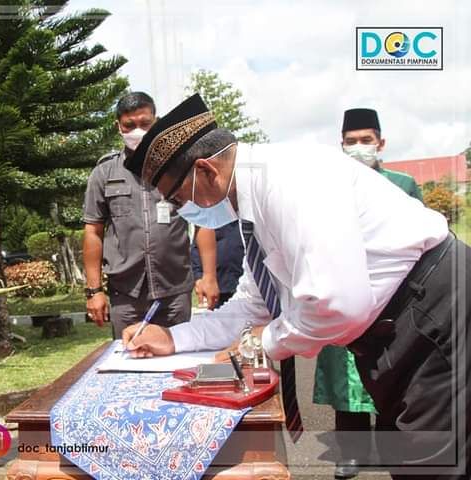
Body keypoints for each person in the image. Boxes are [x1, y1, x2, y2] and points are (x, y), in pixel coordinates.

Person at [122, 93, 469, 479]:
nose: (183, 209)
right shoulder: (251, 202)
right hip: (395, 331)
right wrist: (173, 338)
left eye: (178, 197)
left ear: (206, 171)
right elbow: (254, 306)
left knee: (433, 467)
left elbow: (337, 305)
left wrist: (263, 341)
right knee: (408, 461)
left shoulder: (290, 179)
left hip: (433, 316)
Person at [313, 108, 425, 479]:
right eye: (351, 141)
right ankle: (352, 453)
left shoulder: (403, 184)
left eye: (366, 140)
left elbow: (423, 238)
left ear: (381, 143)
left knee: (394, 374)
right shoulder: (324, 186)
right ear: (340, 145)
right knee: (347, 378)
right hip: (344, 293)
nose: (359, 147)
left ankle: (393, 450)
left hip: (394, 295)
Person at [82, 92, 206, 339]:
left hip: (174, 291)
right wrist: (93, 291)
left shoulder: (179, 168)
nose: (137, 131)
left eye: (144, 124)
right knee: (128, 361)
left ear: (156, 122)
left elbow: (203, 221)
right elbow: (93, 232)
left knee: (178, 359)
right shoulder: (104, 173)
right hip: (126, 294)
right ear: (118, 126)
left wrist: (208, 276)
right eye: (129, 125)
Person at [190, 223, 244, 309]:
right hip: (218, 286)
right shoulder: (214, 214)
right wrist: (199, 276)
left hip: (249, 283)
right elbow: (199, 243)